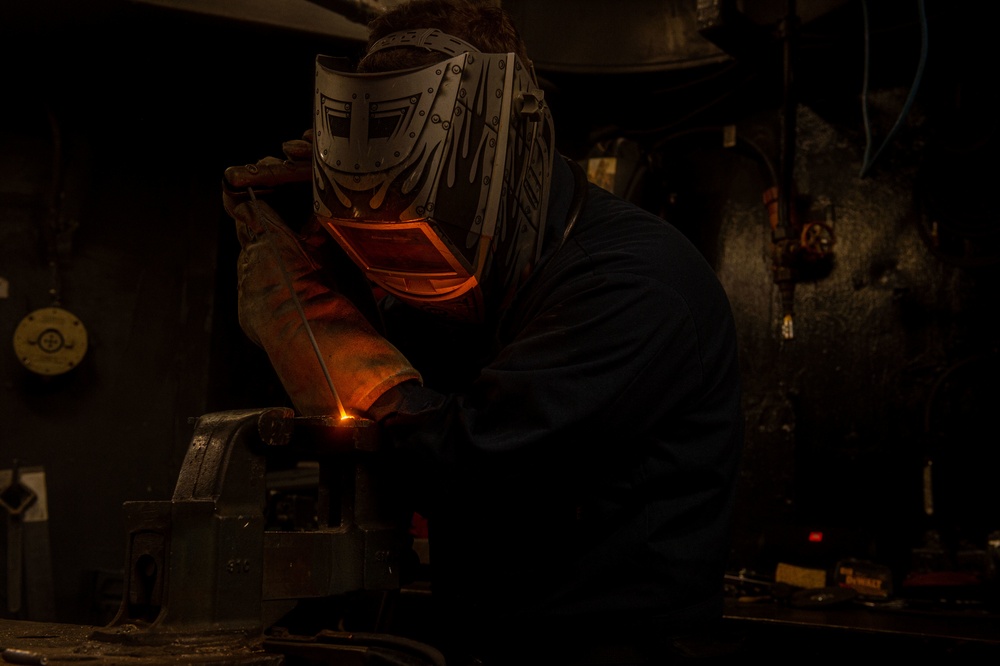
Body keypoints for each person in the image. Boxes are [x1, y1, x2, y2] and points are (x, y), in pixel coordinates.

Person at [223, 1, 744, 663]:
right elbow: (392, 421)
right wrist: (325, 262)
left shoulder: (634, 283)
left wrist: (323, 324)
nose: (409, 266)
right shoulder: (479, 280)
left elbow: (463, 464)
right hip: (483, 638)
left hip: (613, 648)